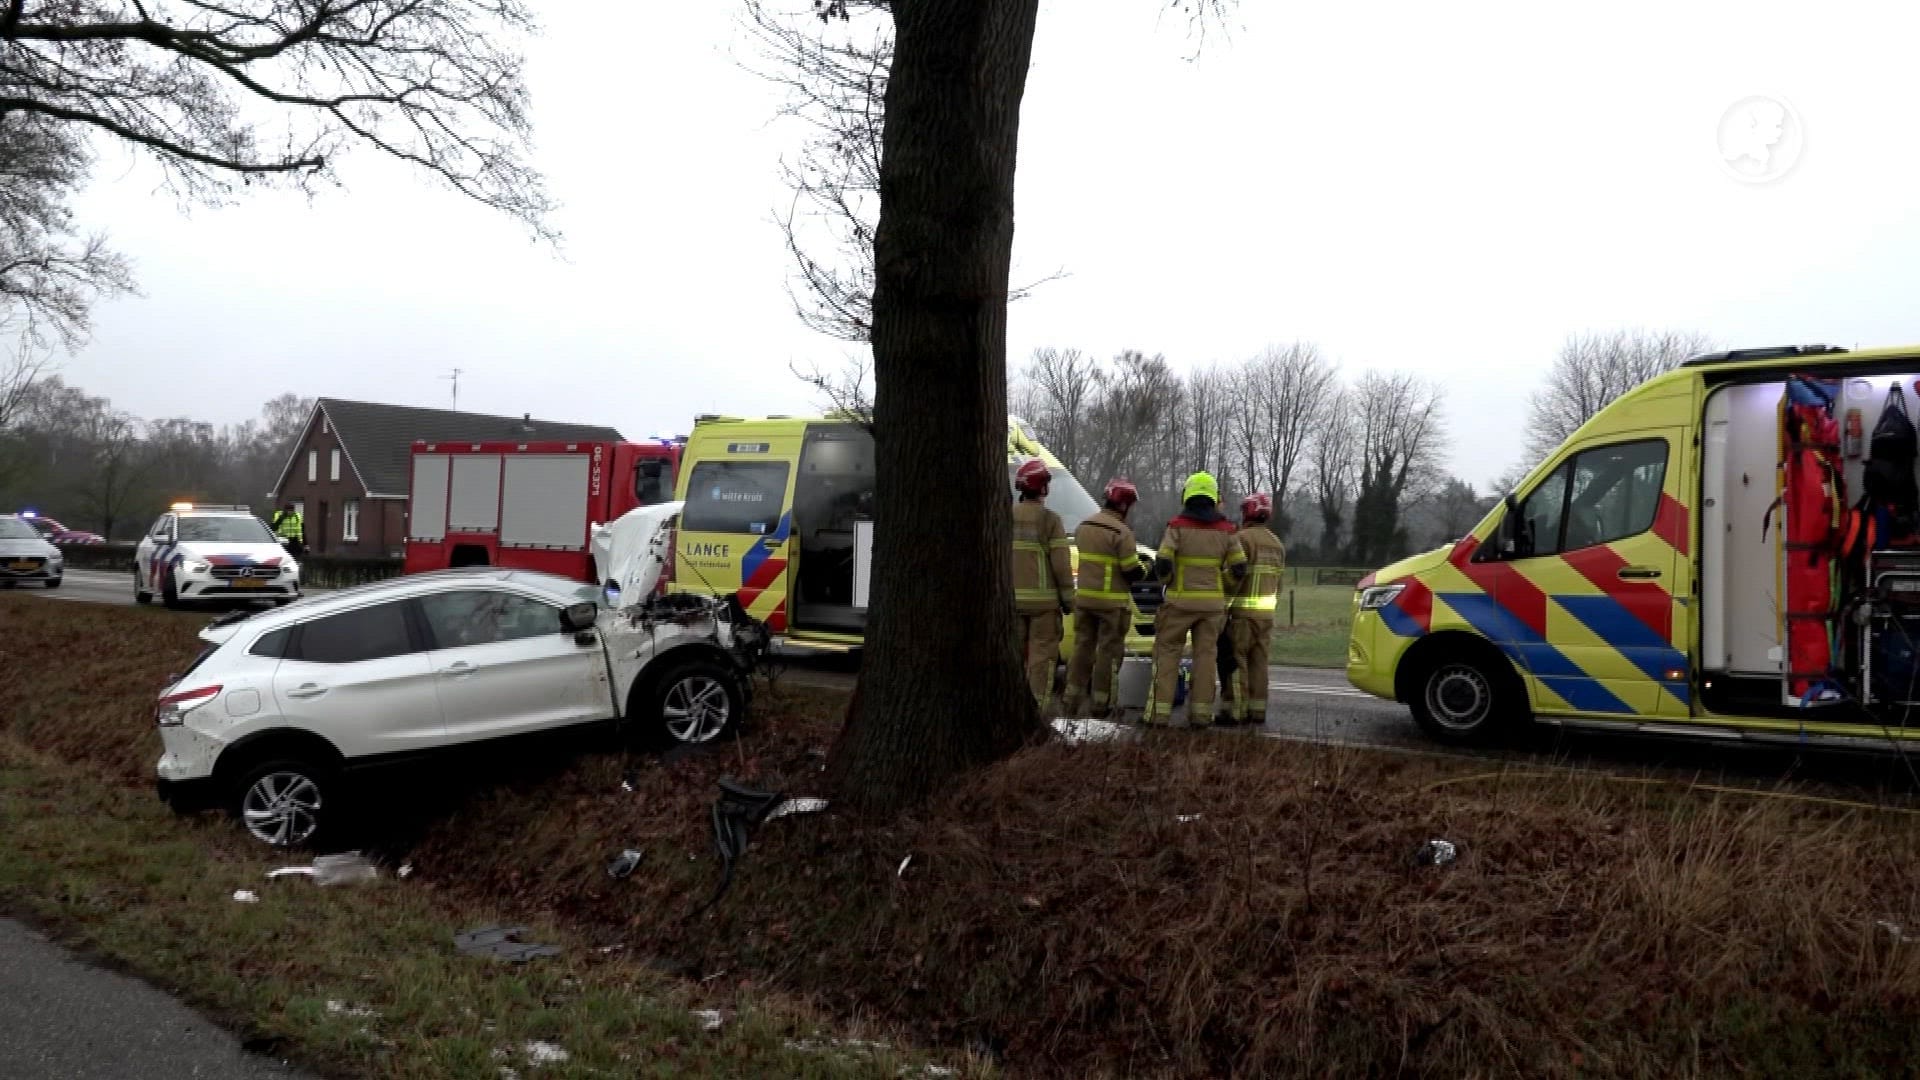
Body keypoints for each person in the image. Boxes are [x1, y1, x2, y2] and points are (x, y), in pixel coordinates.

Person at [1143, 471, 1247, 726]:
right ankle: (1201, 715)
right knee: (1206, 658)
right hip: (1212, 607)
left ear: (1187, 495)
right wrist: (1223, 586)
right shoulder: (1227, 530)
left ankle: (1158, 714)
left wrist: (1168, 583)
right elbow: (1239, 567)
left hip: (1179, 603)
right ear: (1213, 496)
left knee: (1167, 655)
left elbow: (1164, 561)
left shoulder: (1176, 526)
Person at [1063, 477, 1146, 717]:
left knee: (1082, 649)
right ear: (1124, 505)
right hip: (1112, 604)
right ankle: (1102, 704)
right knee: (1107, 653)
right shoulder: (1121, 532)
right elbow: (1131, 570)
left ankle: (1071, 700)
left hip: (1085, 600)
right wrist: (1145, 570)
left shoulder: (1084, 526)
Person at [1011, 458, 1074, 715]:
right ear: (1043, 489)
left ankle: (1009, 707)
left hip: (1011, 602)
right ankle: (1036, 711)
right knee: (1041, 660)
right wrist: (1069, 599)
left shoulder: (1005, 515)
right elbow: (1061, 564)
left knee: (1011, 656)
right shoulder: (1050, 520)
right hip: (1043, 605)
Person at [1220, 492, 1286, 726]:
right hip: (1266, 615)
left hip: (1242, 614)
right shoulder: (1277, 544)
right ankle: (1258, 711)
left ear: (1247, 512)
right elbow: (1279, 585)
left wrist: (1223, 606)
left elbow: (1233, 578)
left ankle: (1236, 711)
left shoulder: (1241, 539)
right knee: (1259, 662)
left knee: (1236, 661)